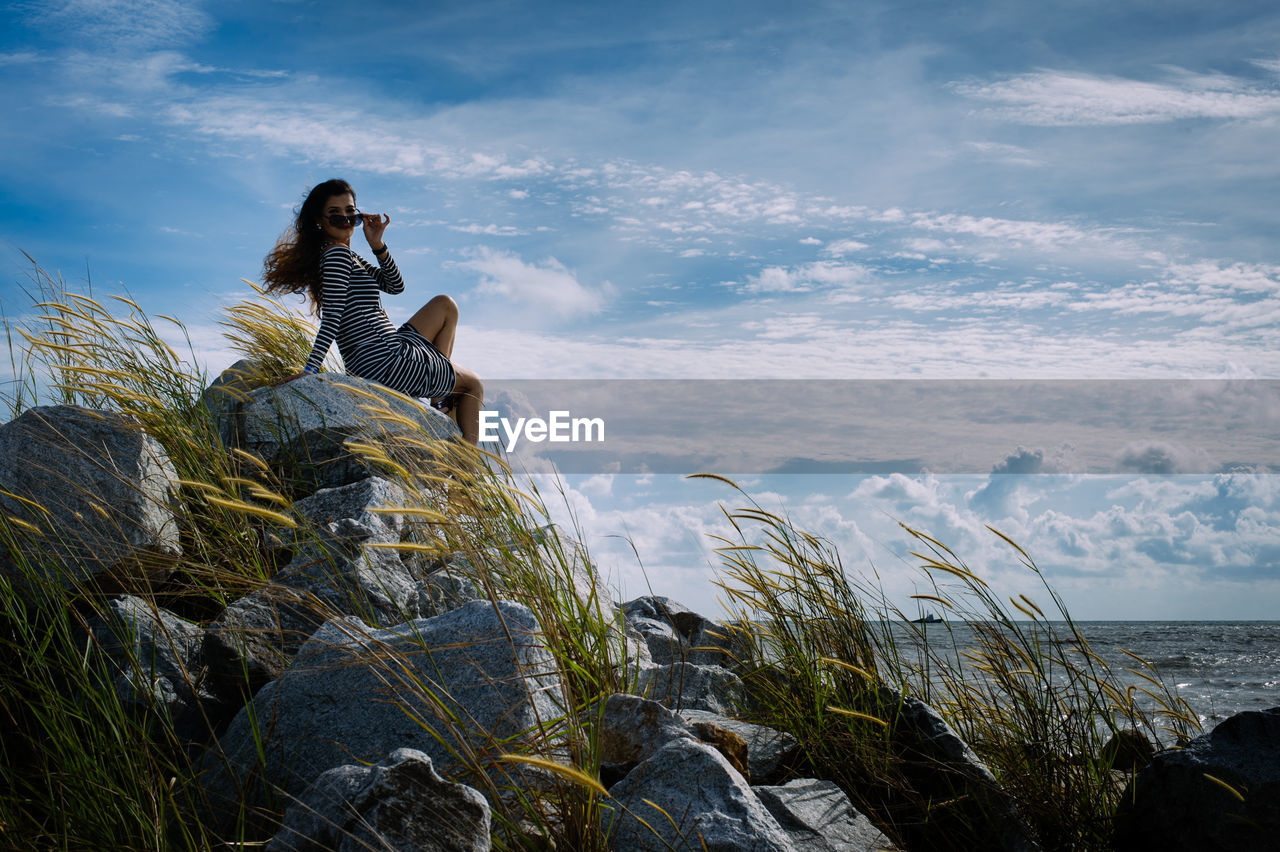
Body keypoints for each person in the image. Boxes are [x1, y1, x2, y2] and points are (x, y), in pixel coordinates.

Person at [264, 179, 483, 444]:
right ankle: (467, 472)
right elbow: (332, 318)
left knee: (444, 305)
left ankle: (438, 396)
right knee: (473, 386)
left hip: (383, 351)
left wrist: (376, 243)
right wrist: (310, 370)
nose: (346, 220)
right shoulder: (337, 257)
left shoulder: (347, 256)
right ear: (319, 220)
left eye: (350, 212)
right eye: (336, 214)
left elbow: (395, 285)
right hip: (384, 360)